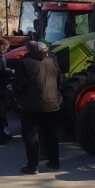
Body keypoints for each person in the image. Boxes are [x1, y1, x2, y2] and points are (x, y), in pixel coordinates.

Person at [13, 41, 63, 174]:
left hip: (31, 106)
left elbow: (17, 85)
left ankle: (32, 166)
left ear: (29, 50)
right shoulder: (52, 61)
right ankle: (54, 161)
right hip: (52, 104)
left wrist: (19, 99)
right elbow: (59, 81)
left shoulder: (25, 63)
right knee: (50, 134)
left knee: (31, 136)